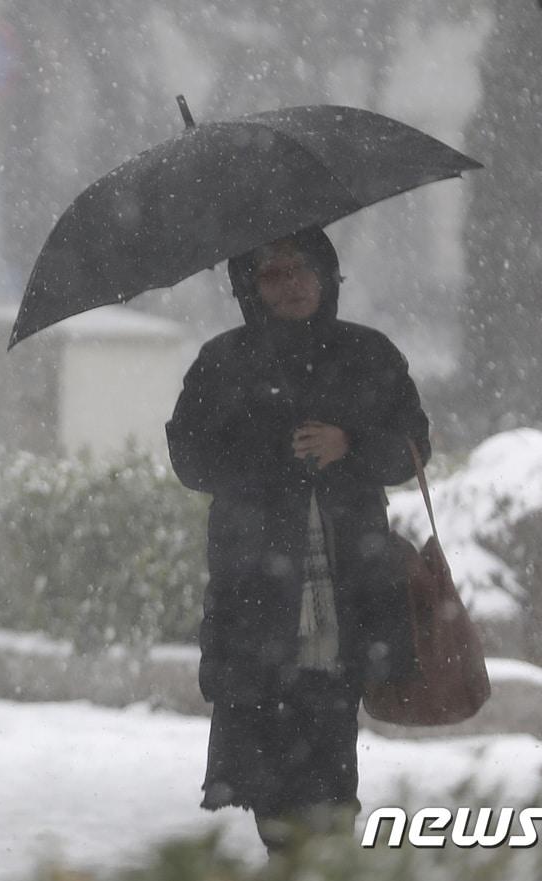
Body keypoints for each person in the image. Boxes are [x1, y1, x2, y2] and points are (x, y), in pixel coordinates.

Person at [164, 226, 429, 858]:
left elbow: (413, 448)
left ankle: (322, 856)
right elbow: (192, 459)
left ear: (328, 276)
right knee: (261, 748)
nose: (291, 284)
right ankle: (290, 853)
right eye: (273, 273)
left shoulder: (370, 354)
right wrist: (263, 450)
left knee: (334, 742)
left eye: (303, 269)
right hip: (256, 589)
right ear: (248, 288)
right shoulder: (222, 362)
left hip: (345, 583)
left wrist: (350, 445)